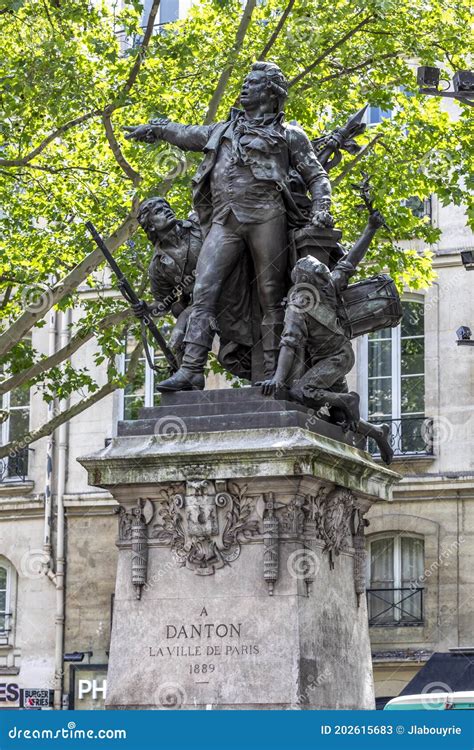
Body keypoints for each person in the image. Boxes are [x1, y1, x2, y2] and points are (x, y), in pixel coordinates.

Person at [124, 62, 332, 391]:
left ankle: (273, 374)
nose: (244, 87)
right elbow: (185, 133)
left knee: (270, 295)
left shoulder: (289, 135)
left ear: (271, 92)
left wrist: (322, 205)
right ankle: (192, 370)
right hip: (224, 220)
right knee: (204, 289)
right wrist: (157, 129)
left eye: (253, 83)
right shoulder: (222, 130)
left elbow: (316, 176)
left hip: (267, 215)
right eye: (245, 82)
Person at [260, 210, 394, 464]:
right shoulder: (329, 286)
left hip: (332, 360)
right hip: (339, 355)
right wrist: (371, 228)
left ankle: (347, 400)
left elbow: (289, 343)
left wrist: (278, 379)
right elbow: (350, 262)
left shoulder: (297, 306)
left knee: (302, 391)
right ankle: (378, 433)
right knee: (337, 416)